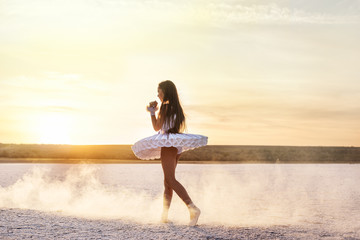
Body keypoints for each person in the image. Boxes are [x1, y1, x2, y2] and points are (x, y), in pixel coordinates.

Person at [131, 80, 208, 226]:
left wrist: (152, 112)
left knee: (170, 180)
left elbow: (156, 127)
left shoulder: (165, 107)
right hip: (176, 144)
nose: (157, 94)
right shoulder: (176, 107)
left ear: (164, 91)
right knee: (167, 181)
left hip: (168, 144)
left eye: (159, 91)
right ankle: (164, 216)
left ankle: (192, 208)